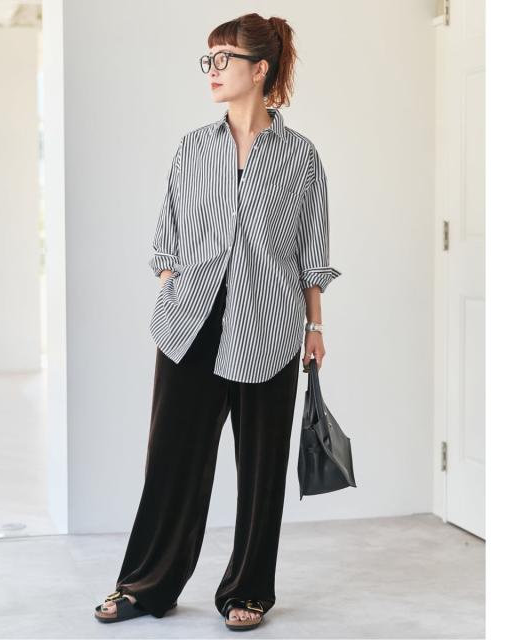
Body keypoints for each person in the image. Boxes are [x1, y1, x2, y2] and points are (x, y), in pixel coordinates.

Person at [94, 11, 341, 631]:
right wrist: (172, 288)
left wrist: (314, 328)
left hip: (270, 328)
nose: (212, 69)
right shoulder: (192, 148)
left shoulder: (302, 158)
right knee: (172, 463)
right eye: (209, 58)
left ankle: (247, 590)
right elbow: (166, 236)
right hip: (191, 325)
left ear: (259, 70)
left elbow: (312, 250)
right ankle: (146, 586)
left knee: (260, 470)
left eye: (224, 58)